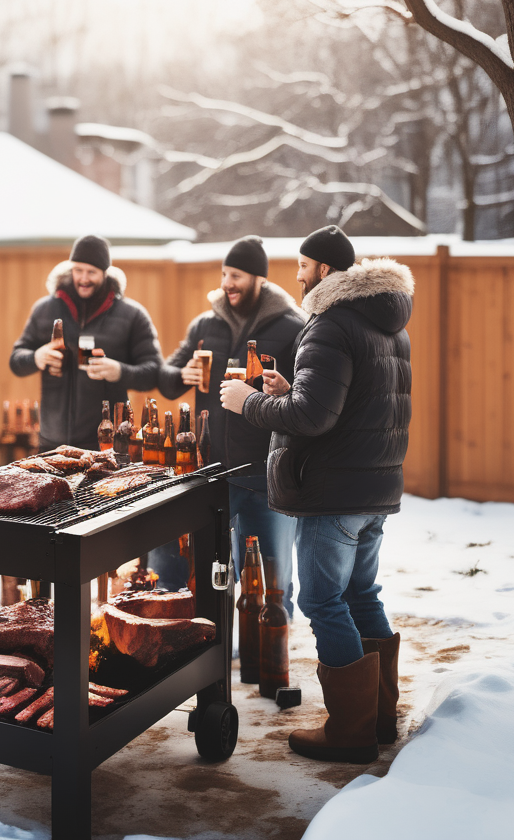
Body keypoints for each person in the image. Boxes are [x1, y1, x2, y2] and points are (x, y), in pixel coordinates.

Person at [220, 225, 412, 764]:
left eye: (303, 266)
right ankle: (378, 716)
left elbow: (313, 418)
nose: (297, 276)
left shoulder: (329, 324)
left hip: (334, 490)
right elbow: (347, 404)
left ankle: (350, 730)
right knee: (361, 595)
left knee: (322, 600)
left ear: (324, 270)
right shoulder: (387, 324)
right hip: (374, 487)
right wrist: (288, 390)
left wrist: (247, 403)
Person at [157, 235, 304, 606]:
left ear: (259, 279)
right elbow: (167, 378)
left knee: (271, 584)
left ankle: (268, 657)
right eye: (224, 274)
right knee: (210, 574)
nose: (227, 283)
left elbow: (307, 398)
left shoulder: (292, 327)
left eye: (236, 275)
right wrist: (181, 375)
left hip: (266, 474)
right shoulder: (205, 325)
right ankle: (218, 654)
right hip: (211, 473)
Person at [9, 234, 163, 450]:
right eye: (78, 270)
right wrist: (37, 357)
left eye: (91, 272)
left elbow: (154, 372)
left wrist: (118, 371)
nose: (83, 278)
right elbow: (16, 361)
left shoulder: (132, 315)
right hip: (52, 443)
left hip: (108, 443)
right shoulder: (45, 309)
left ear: (105, 273)